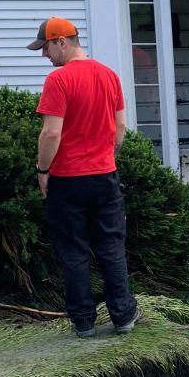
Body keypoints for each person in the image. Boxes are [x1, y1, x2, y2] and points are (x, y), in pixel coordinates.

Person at [29, 17, 139, 338]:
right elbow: (120, 129)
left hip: (67, 179)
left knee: (74, 249)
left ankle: (84, 321)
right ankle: (122, 315)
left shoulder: (58, 80)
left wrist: (42, 170)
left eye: (46, 47)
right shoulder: (109, 76)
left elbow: (50, 134)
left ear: (62, 41)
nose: (45, 55)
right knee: (110, 245)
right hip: (104, 175)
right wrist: (108, 156)